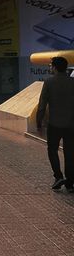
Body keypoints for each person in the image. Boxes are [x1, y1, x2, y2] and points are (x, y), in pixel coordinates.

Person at [36, 56, 74, 191]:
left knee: (52, 150)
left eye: (51, 66)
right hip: (71, 125)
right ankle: (70, 182)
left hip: (54, 124)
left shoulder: (49, 82)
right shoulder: (72, 82)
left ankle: (58, 176)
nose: (50, 68)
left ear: (55, 67)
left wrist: (39, 123)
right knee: (70, 153)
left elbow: (41, 106)